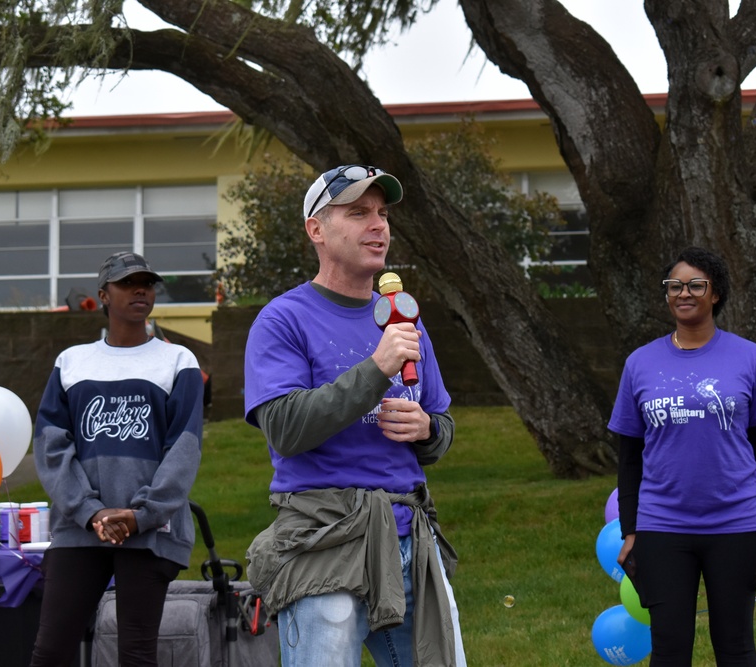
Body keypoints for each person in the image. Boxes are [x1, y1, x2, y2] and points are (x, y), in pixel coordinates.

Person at [244, 164, 467, 666]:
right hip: (324, 539)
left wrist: (428, 429)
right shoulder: (283, 319)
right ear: (316, 229)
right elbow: (283, 428)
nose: (379, 225)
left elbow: (441, 421)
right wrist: (375, 370)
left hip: (409, 537)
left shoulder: (403, 316)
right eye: (359, 212)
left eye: (383, 214)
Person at [609, 246, 756, 666]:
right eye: (674, 285)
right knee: (669, 649)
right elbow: (630, 458)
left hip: (736, 524)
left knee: (736, 646)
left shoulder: (750, 358)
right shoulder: (640, 363)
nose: (683, 293)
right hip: (663, 527)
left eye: (695, 285)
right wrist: (631, 532)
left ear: (716, 293)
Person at [30, 251, 204, 667]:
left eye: (147, 282)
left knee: (137, 653)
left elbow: (184, 449)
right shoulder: (72, 362)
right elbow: (51, 446)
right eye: (127, 283)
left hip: (150, 530)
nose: (140, 289)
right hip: (79, 528)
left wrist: (140, 514)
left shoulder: (178, 361)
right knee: (50, 651)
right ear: (103, 295)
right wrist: (91, 512)